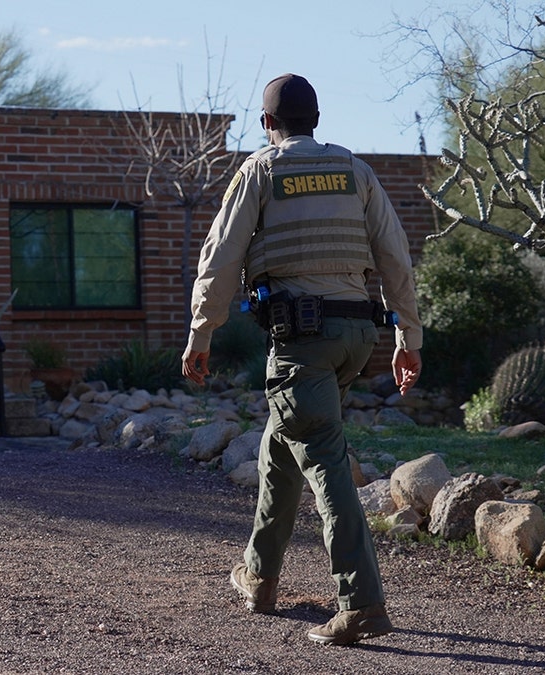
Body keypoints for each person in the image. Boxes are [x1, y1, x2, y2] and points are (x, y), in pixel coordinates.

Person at [181, 73, 423, 646]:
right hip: (356, 340)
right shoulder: (355, 171)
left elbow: (220, 259)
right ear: (316, 119)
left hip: (299, 344)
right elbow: (395, 255)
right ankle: (259, 578)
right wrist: (408, 337)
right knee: (280, 449)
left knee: (325, 465)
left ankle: (361, 603)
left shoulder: (261, 170)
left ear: (267, 125)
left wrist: (200, 333)